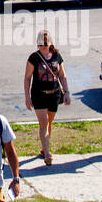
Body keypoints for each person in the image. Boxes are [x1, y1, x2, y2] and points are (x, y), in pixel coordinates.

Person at [23, 30, 69, 164]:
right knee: (43, 123)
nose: (42, 46)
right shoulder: (34, 58)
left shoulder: (57, 56)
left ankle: (44, 148)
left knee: (49, 123)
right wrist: (27, 97)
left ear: (50, 43)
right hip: (39, 95)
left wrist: (66, 92)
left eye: (44, 43)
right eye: (39, 44)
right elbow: (27, 78)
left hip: (54, 95)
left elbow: (62, 75)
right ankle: (47, 154)